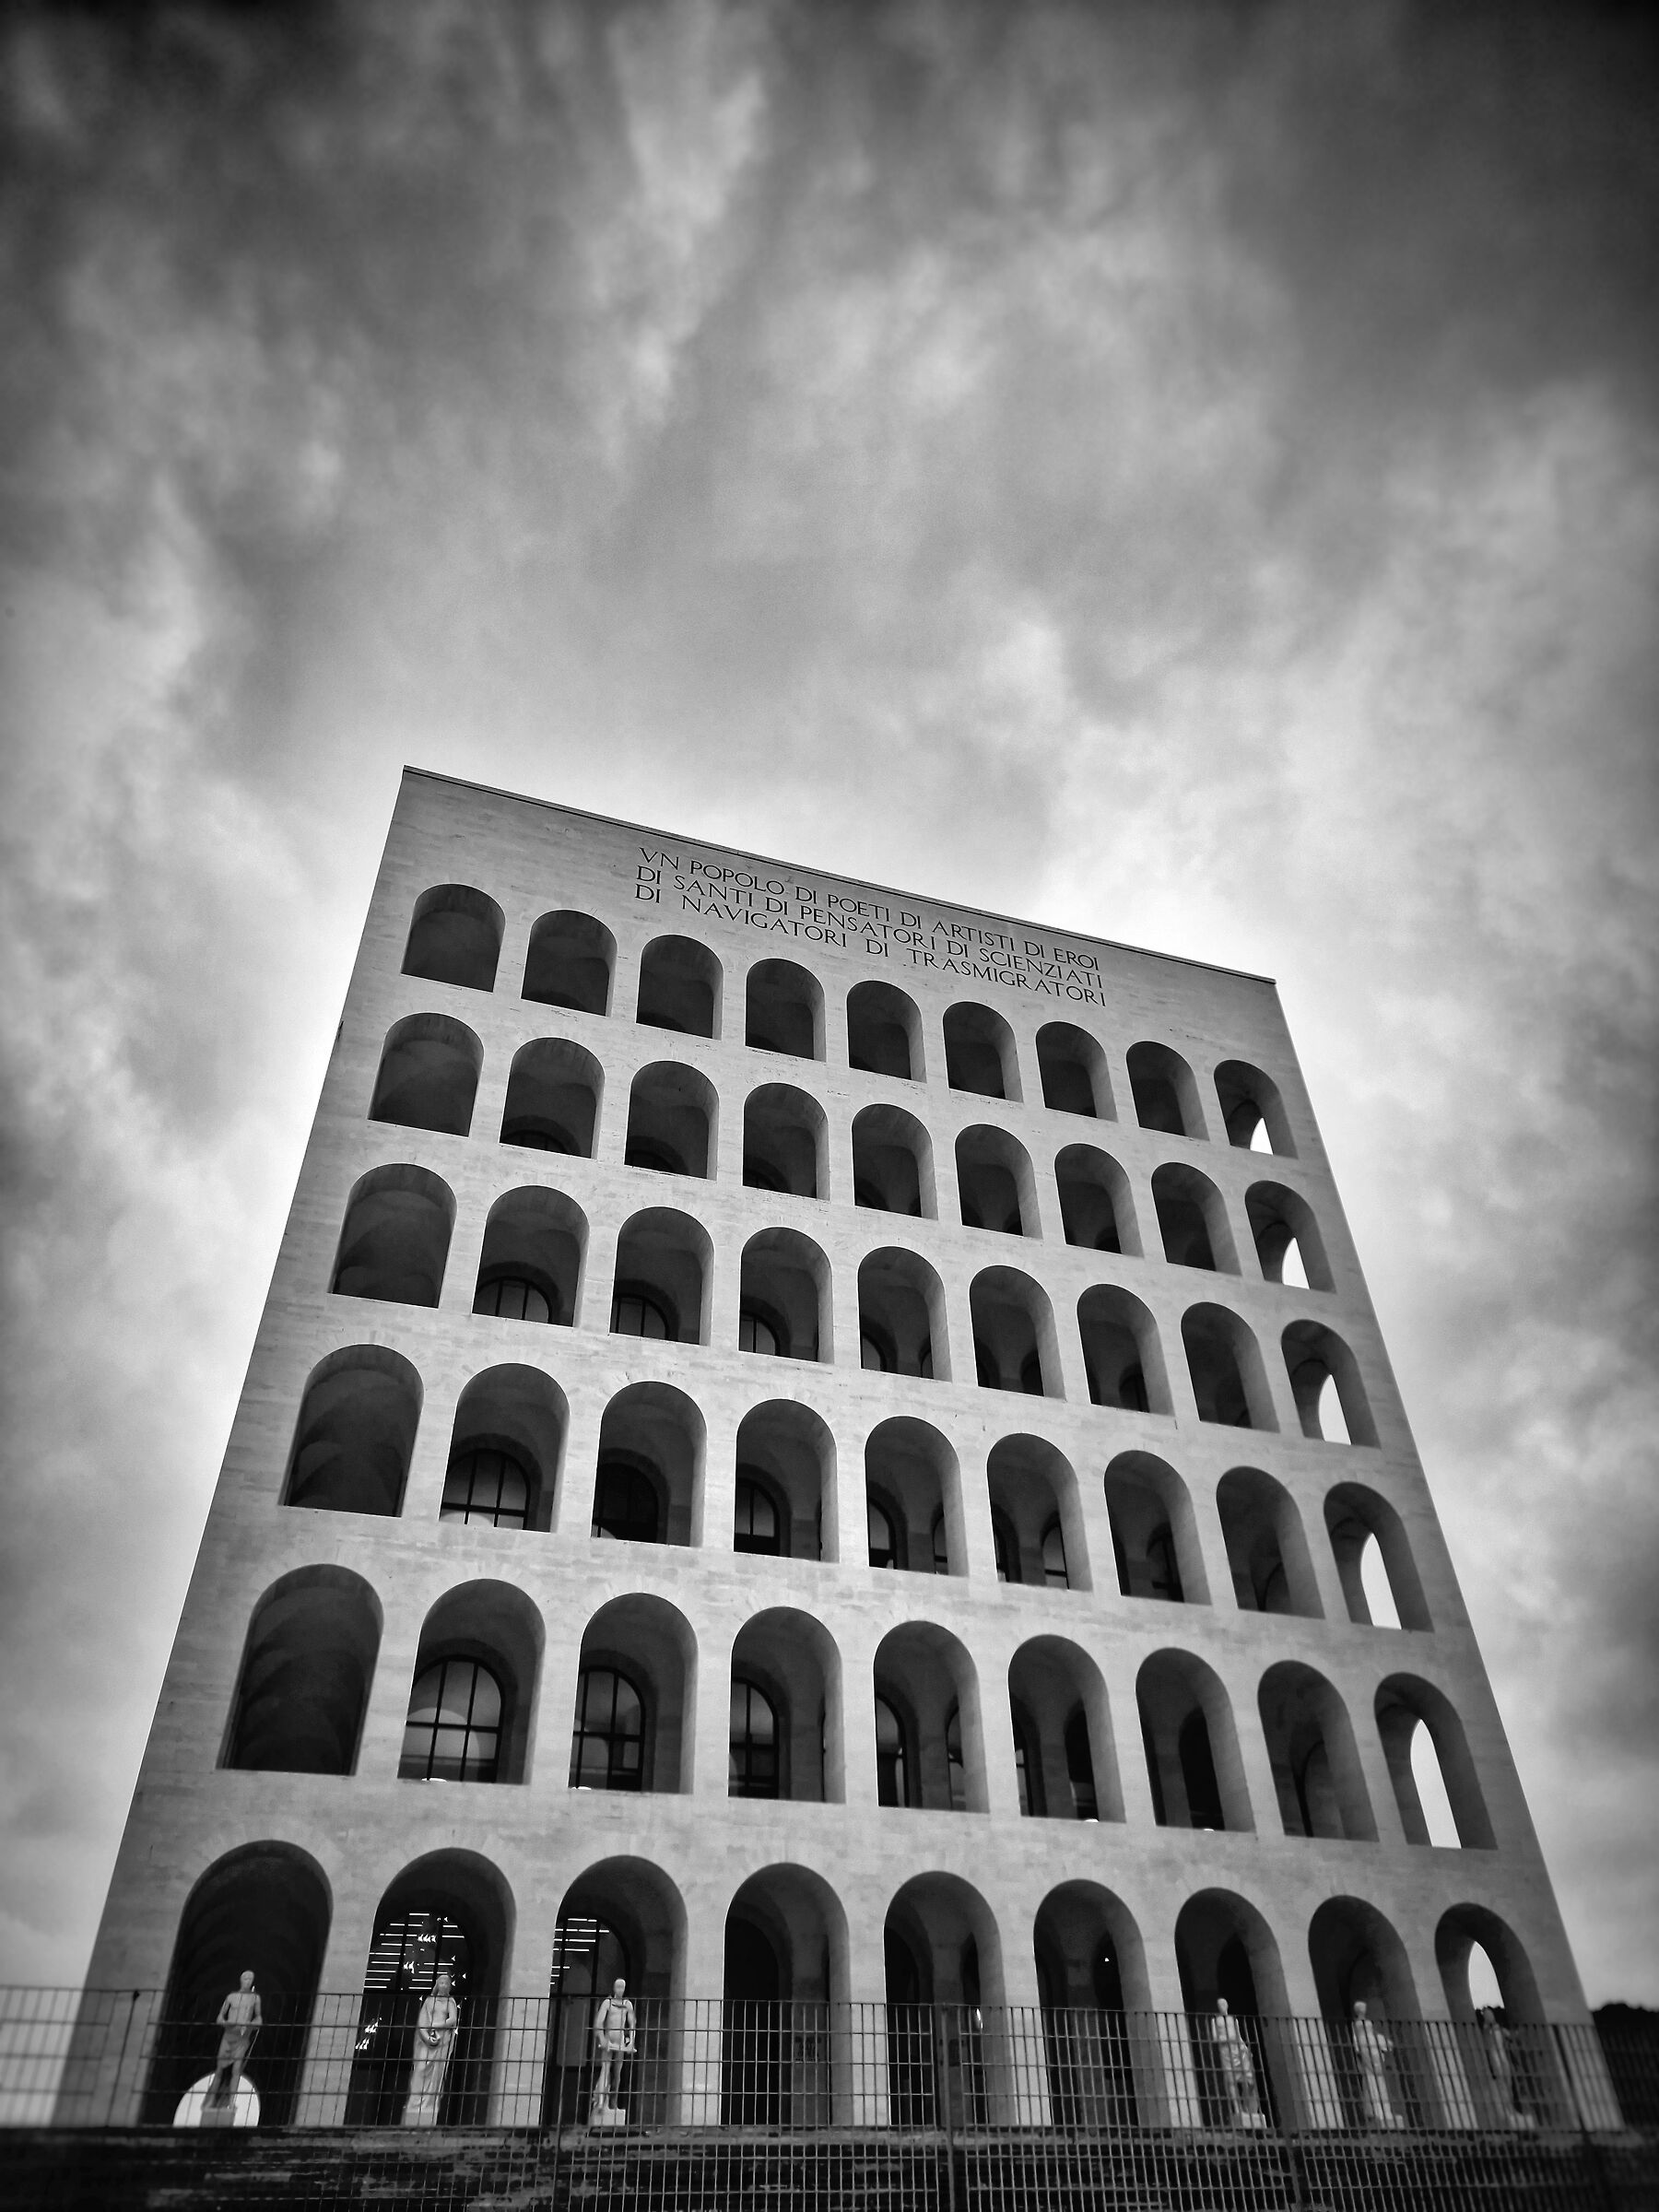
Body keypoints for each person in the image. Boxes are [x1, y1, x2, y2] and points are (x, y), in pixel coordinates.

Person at [403, 1970, 460, 2126]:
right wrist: (427, 2036)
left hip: (442, 2040)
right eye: (441, 1982)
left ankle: (428, 2104)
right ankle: (415, 2104)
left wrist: (435, 2025)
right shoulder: (429, 2001)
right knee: (420, 2070)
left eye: (446, 1983)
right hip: (427, 2040)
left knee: (435, 2075)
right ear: (437, 1984)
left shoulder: (450, 2002)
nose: (443, 1985)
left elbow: (453, 2020)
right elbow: (422, 2023)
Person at [205, 1971, 262, 2119]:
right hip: (229, 2035)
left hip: (242, 2037)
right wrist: (226, 2022)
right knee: (220, 2070)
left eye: (250, 1979)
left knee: (236, 2070)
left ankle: (231, 2102)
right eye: (245, 1978)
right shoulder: (231, 1997)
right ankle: (211, 2101)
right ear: (240, 1980)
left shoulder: (255, 1998)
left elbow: (259, 2019)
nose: (247, 1981)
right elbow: (219, 2018)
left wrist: (250, 2024)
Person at [1212, 1998, 1264, 2126]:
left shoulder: (1233, 2019)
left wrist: (1244, 2047)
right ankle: (1237, 2109)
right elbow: (1215, 2038)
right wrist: (1229, 2038)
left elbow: (1239, 2035)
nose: (1222, 2006)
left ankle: (1249, 2108)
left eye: (1224, 2004)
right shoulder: (1215, 2020)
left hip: (1237, 2049)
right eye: (1220, 2005)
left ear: (1227, 2005)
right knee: (1231, 2080)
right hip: (1225, 2051)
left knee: (1249, 2079)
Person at [592, 1977, 637, 2123]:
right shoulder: (608, 2003)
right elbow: (599, 2023)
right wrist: (602, 2039)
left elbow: (632, 2025)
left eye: (622, 1987)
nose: (619, 1990)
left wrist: (630, 2043)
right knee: (605, 2069)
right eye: (617, 1987)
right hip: (609, 2040)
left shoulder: (627, 2004)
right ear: (613, 1988)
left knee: (617, 2074)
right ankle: (600, 2101)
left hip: (620, 2042)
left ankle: (613, 2103)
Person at [1351, 2000, 1399, 2127]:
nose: (1364, 2010)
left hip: (1371, 2043)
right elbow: (1356, 2039)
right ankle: (1376, 2110)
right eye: (1362, 2008)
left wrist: (1381, 2041)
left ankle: (1384, 2110)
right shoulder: (1355, 2024)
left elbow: (1373, 2034)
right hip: (1365, 2044)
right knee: (1372, 2074)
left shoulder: (1366, 2025)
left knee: (1379, 2077)